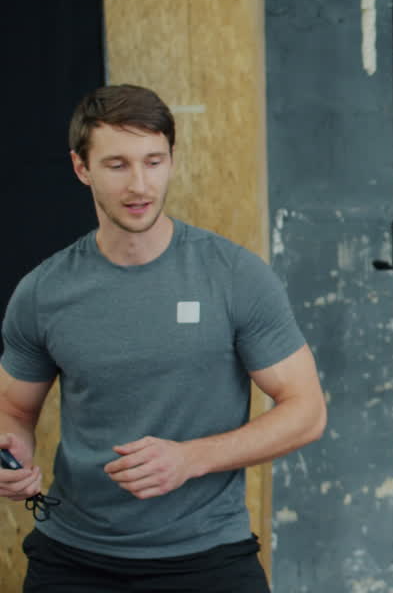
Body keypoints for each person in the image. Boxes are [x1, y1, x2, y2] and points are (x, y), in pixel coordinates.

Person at [0, 84, 327, 592]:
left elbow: (306, 411)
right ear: (81, 168)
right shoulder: (43, 292)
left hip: (206, 556)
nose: (140, 185)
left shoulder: (234, 276)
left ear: (172, 161)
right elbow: (14, 413)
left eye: (154, 162)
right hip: (73, 559)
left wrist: (190, 458)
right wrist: (11, 456)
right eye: (117, 165)